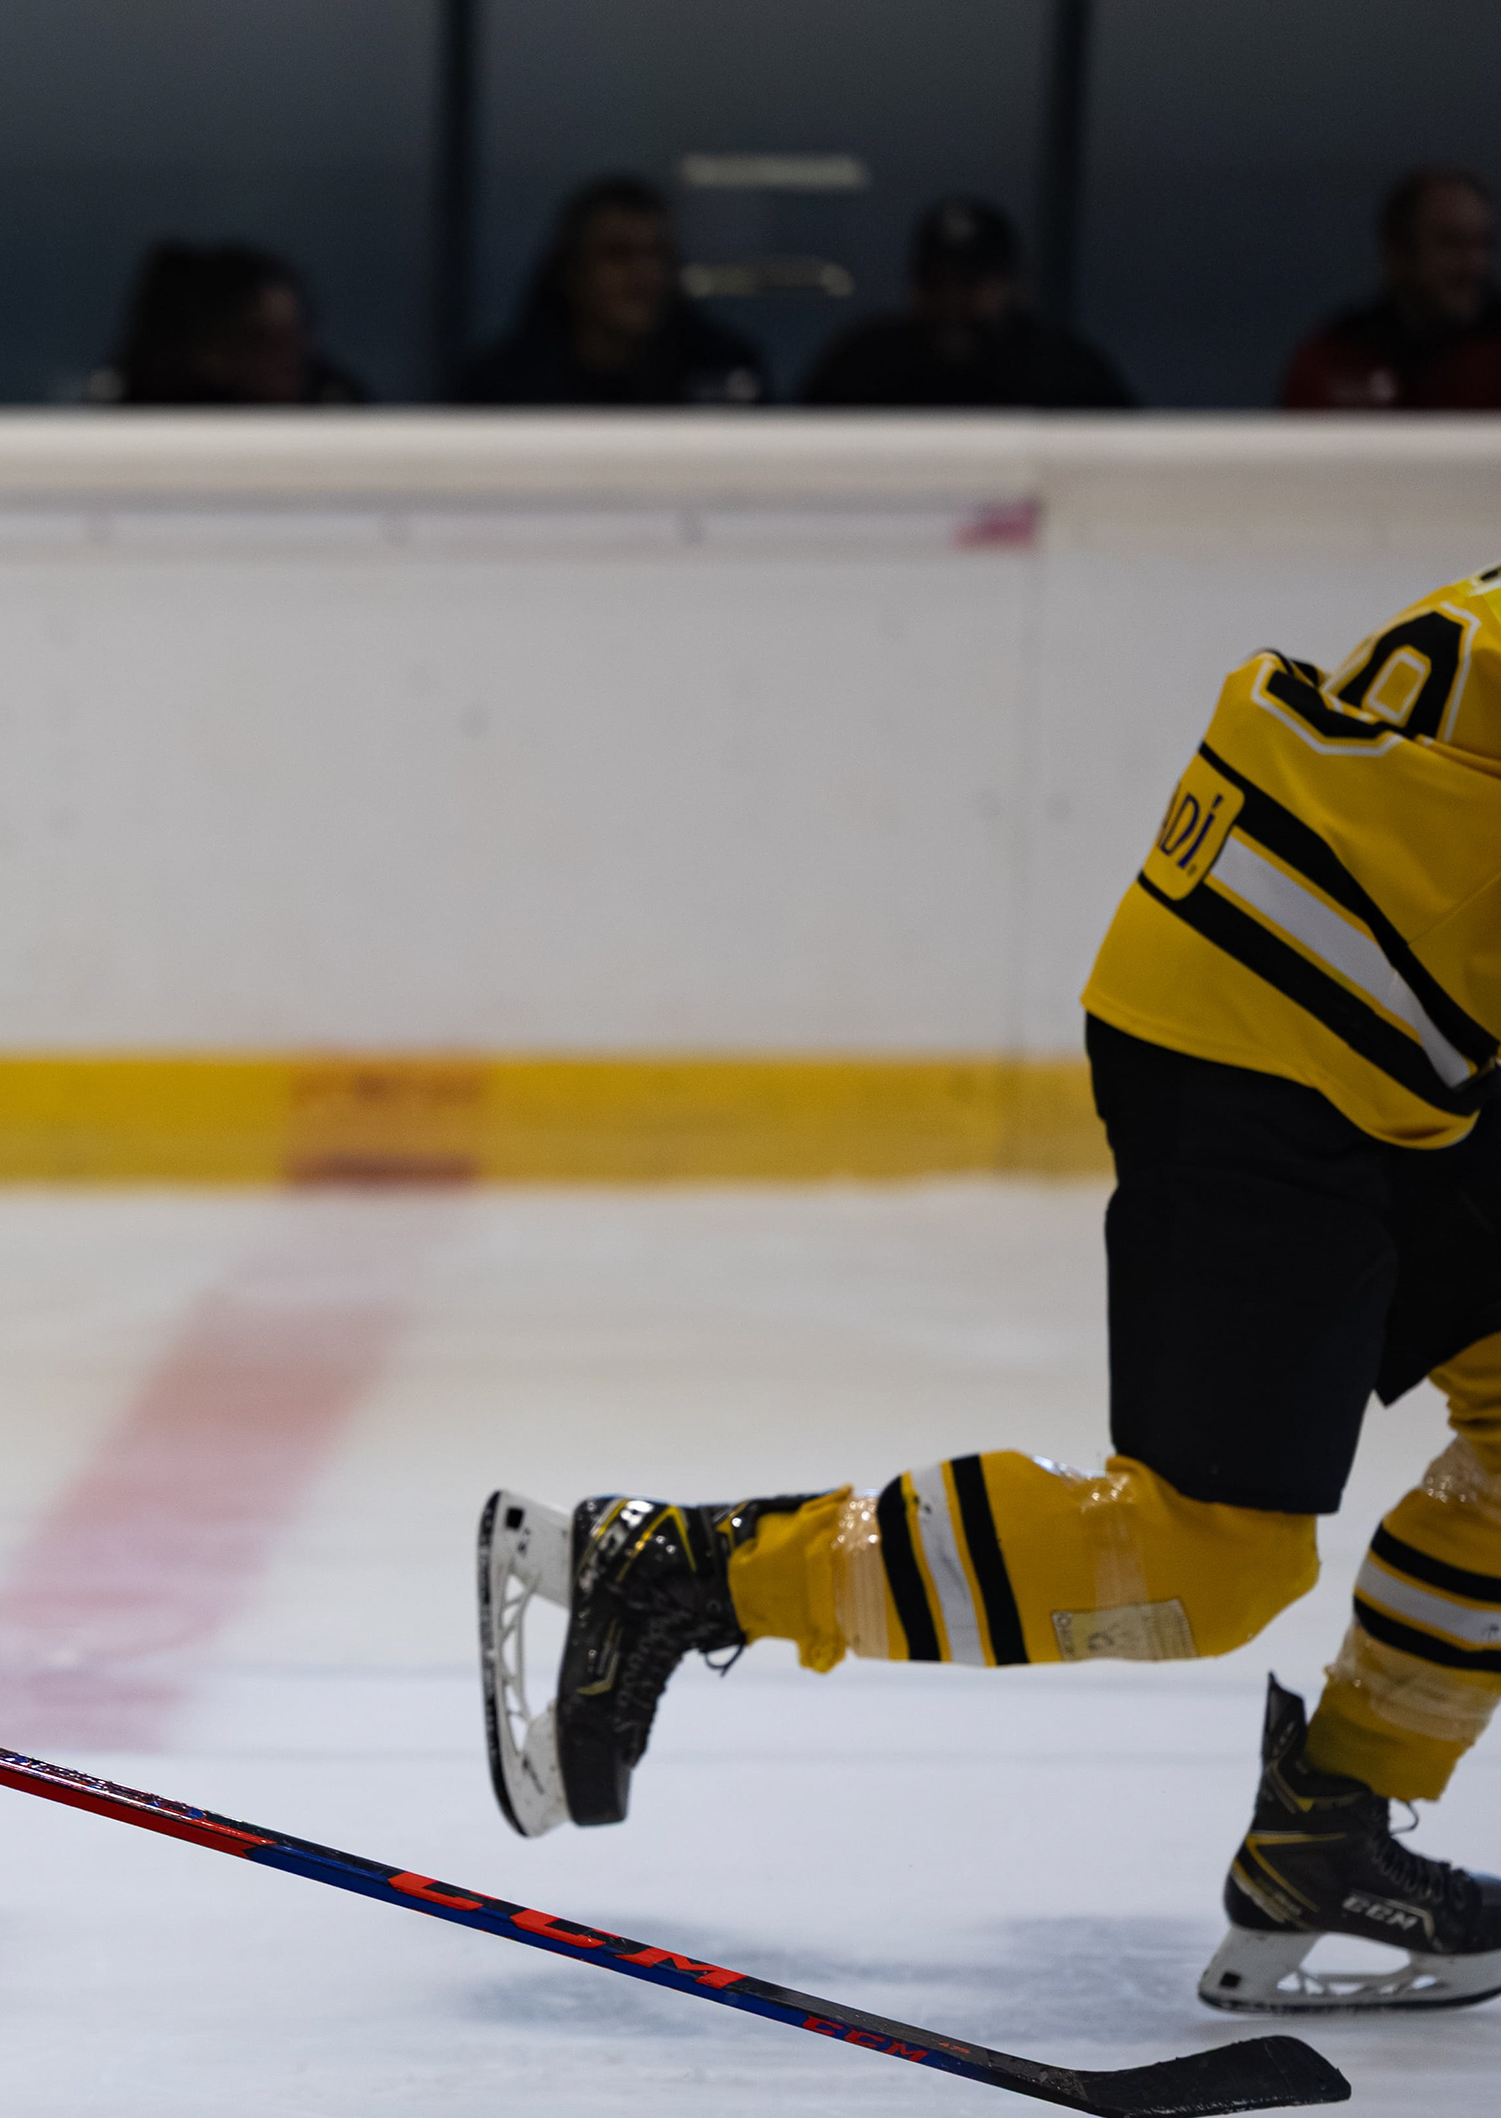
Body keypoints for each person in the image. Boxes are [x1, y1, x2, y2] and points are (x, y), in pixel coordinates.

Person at [477, 567, 1501, 2018]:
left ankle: (1328, 1840)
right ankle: (684, 1572)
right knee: (1208, 1566)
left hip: (1373, 1006)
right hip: (1279, 1039)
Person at [457, 173, 766, 407]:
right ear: (571, 273)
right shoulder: (506, 389)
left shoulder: (724, 371)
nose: (643, 273)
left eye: (657, 253)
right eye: (617, 254)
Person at [800, 195, 1133, 409]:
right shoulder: (864, 364)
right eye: (936, 283)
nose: (951, 301)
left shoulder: (1064, 373)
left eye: (969, 284)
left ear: (1012, 288)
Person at [1279, 165, 1501, 412]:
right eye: (1451, 244)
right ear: (1397, 254)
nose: (1474, 265)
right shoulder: (1333, 358)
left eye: (1483, 244)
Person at [97, 240, 367, 406]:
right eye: (261, 338)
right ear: (208, 349)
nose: (289, 355)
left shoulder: (337, 411)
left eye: (297, 335)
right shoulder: (137, 420)